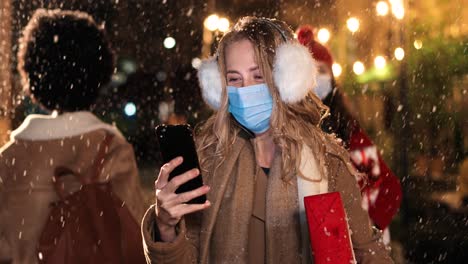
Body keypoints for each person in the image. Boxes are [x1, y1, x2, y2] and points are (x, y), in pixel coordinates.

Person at [141, 17, 393, 263]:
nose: (245, 90)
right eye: (234, 79)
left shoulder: (327, 162)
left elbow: (367, 251)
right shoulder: (207, 159)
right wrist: (165, 226)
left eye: (258, 76)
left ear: (286, 80)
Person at [0, 9, 146, 263]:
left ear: (33, 73)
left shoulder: (9, 157)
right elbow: (135, 240)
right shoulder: (110, 149)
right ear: (98, 73)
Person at [296, 25, 402, 243]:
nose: (316, 79)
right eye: (310, 71)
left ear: (333, 77)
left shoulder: (348, 130)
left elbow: (388, 188)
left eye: (322, 71)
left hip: (340, 243)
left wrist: (364, 229)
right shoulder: (284, 127)